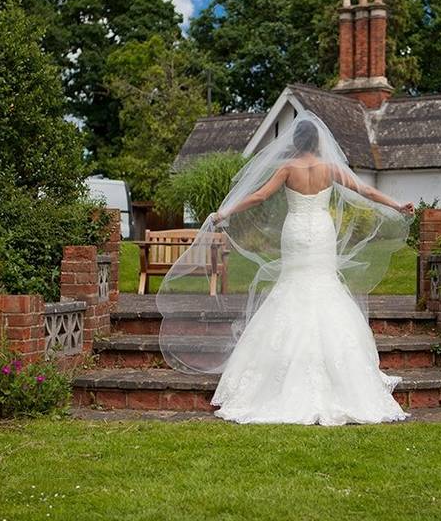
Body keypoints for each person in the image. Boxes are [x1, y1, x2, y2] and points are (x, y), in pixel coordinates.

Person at [156, 111, 414, 425]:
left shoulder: (287, 168)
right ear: (319, 143)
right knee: (324, 285)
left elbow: (260, 195)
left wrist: (225, 212)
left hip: (295, 233)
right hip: (321, 233)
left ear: (294, 142)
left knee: (293, 286)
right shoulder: (330, 169)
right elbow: (366, 191)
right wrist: (397, 204)